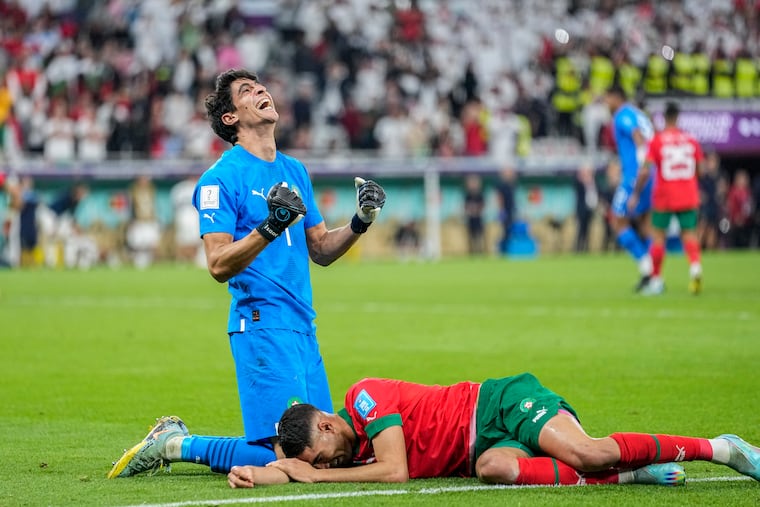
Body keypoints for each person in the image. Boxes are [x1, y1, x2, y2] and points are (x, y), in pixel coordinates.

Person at [108, 69, 386, 479]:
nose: (261, 91)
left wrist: (361, 220)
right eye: (247, 91)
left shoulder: (295, 171)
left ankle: (176, 442)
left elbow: (322, 249)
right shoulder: (220, 179)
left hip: (303, 326)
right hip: (261, 325)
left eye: (261, 86)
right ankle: (172, 443)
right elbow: (218, 263)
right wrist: (270, 227)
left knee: (339, 447)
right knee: (283, 458)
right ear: (230, 119)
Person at [228, 373, 760, 487]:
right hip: (487, 444)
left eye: (322, 455)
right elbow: (292, 464)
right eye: (320, 466)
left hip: (498, 404)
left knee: (589, 453)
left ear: (326, 424)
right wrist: (265, 471)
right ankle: (630, 478)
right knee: (496, 469)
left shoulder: (363, 399)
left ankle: (720, 448)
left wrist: (312, 479)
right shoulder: (346, 447)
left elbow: (396, 472)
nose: (329, 464)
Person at [629, 102, 704, 295]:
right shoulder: (691, 140)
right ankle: (695, 269)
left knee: (658, 237)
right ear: (678, 117)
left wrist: (636, 193)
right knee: (689, 234)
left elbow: (645, 170)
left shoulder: (657, 141)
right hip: (688, 193)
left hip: (664, 195)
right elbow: (700, 169)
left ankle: (656, 281)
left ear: (665, 118)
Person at [604, 84, 654, 291]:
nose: (606, 104)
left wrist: (642, 167)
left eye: (607, 99)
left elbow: (638, 139)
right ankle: (653, 274)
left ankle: (648, 268)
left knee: (617, 220)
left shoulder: (623, 115)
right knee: (645, 222)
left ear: (616, 97)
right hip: (651, 173)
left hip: (636, 175)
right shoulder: (639, 114)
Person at [573, 163, 598, 253]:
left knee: (587, 230)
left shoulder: (593, 183)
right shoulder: (580, 183)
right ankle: (578, 248)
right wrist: (583, 177)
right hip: (581, 210)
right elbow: (576, 183)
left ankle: (586, 248)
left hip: (590, 210)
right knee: (580, 230)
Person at [463, 174, 485, 255]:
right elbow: (465, 206)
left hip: (478, 218)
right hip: (470, 218)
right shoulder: (467, 195)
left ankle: (480, 251)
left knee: (479, 235)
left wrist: (477, 211)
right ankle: (472, 252)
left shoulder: (480, 194)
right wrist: (470, 211)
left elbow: (482, 205)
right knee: (471, 236)